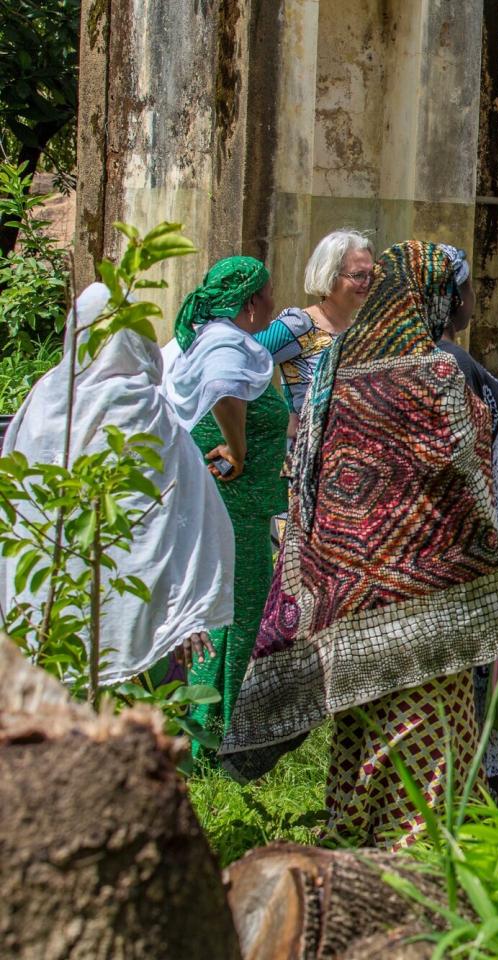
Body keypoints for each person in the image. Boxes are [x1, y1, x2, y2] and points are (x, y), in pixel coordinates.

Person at [218, 241, 498, 847]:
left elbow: (305, 464)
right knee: (431, 720)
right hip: (433, 593)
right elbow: (466, 472)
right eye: (457, 292)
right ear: (432, 298)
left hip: (345, 588)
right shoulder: (437, 372)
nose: (466, 302)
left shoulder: (334, 364)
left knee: (362, 719)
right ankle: (420, 846)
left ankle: (355, 828)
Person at [2, 283, 234, 682]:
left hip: (47, 599)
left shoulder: (45, 397)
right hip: (139, 603)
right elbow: (189, 506)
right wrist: (188, 606)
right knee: (138, 724)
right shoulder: (142, 406)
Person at [162, 255, 288, 759]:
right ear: (251, 301)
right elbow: (221, 389)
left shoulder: (206, 336)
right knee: (237, 612)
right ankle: (223, 732)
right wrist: (237, 448)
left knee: (227, 609)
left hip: (238, 503)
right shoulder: (222, 341)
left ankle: (211, 726)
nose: (274, 304)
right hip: (232, 501)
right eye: (269, 294)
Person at [435, 243, 498, 804]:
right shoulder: (446, 365)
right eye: (469, 288)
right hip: (474, 549)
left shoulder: (387, 357)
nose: (476, 299)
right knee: (472, 687)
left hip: (470, 544)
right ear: (448, 298)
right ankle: (476, 794)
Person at [253, 230, 375, 430]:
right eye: (359, 275)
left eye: (371, 275)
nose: (367, 283)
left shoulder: (361, 333)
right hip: (304, 453)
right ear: (330, 274)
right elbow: (237, 363)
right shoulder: (299, 325)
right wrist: (279, 419)